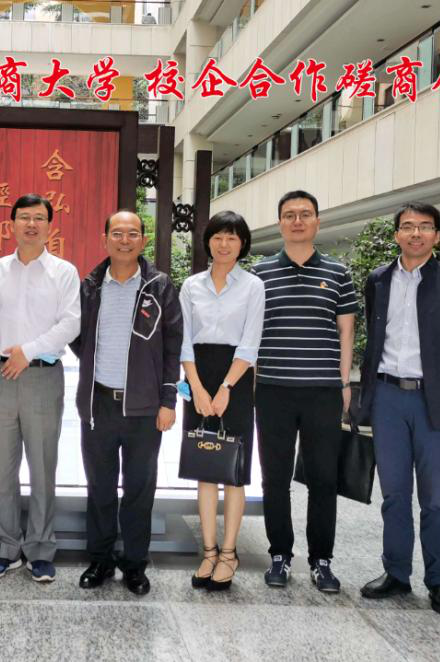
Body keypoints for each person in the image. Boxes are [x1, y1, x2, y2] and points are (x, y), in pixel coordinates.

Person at [359, 201, 440, 616]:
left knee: (434, 497)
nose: (415, 233)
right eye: (407, 226)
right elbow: (374, 335)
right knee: (393, 493)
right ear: (396, 235)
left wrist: (434, 376)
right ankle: (396, 573)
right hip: (388, 396)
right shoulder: (378, 279)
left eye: (424, 227)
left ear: (436, 236)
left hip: (433, 400)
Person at [70, 210, 182, 596]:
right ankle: (100, 560)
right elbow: (77, 336)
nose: (124, 240)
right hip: (98, 404)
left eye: (132, 233)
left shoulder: (159, 286)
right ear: (104, 240)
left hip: (144, 409)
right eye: (117, 233)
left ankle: (134, 564)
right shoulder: (90, 286)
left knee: (139, 490)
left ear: (143, 241)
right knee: (100, 487)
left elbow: (172, 347)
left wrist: (168, 400)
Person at [252, 190, 357, 593]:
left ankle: (321, 560)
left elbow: (346, 330)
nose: (297, 221)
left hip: (323, 392)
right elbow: (251, 333)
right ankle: (280, 555)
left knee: (323, 479)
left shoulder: (338, 272)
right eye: (290, 215)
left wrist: (344, 382)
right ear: (279, 222)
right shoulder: (260, 274)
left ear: (317, 222)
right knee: (274, 478)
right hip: (273, 391)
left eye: (305, 214)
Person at [0, 194, 80, 583]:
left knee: (42, 466)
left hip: (42, 376)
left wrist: (29, 351)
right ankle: (4, 547)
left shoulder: (64, 272)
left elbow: (71, 323)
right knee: (0, 467)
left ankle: (40, 550)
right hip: (0, 377)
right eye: (24, 217)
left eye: (39, 218)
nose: (31, 224)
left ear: (50, 226)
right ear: (12, 225)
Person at [180, 212, 264, 591]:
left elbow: (250, 343)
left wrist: (227, 387)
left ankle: (229, 553)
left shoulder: (253, 286)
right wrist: (197, 388)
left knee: (232, 469)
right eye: (217, 237)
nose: (224, 244)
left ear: (242, 243)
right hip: (198, 375)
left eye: (232, 237)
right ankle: (209, 551)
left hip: (237, 380)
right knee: (204, 465)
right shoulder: (191, 286)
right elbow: (183, 341)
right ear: (208, 241)